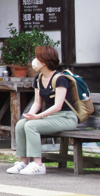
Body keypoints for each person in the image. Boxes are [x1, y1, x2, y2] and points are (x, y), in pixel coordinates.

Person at [6, 45, 79, 175]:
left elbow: (58, 106)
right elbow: (38, 102)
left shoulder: (60, 79)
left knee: (31, 126)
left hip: (66, 117)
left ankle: (38, 164)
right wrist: (31, 114)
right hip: (52, 117)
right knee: (21, 124)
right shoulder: (38, 78)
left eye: (37, 58)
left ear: (45, 61)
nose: (34, 61)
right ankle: (23, 162)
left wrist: (38, 117)